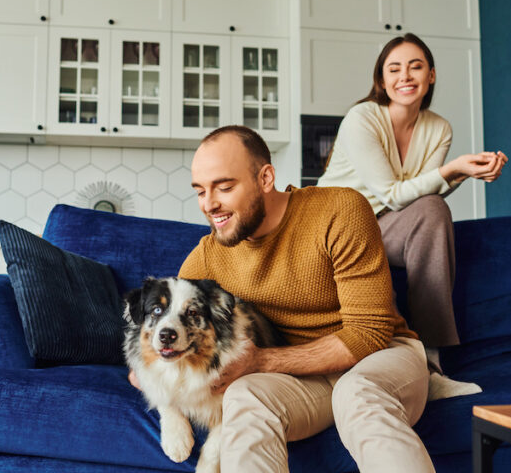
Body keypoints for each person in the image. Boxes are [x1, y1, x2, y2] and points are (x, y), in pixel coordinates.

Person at [178, 125, 433, 472]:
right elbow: (164, 325)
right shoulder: (210, 255)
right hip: (303, 381)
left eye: (224, 187)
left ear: (266, 177)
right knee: (244, 395)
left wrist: (261, 362)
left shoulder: (339, 210)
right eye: (200, 191)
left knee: (356, 393)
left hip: (382, 357)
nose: (210, 204)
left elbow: (369, 335)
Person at [317, 33, 507, 399]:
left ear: (431, 76)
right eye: (394, 68)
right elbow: (392, 192)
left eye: (415, 66)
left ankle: (431, 365)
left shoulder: (439, 128)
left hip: (385, 225)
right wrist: (455, 168)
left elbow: (423, 198)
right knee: (429, 207)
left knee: (434, 209)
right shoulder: (363, 118)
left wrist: (464, 172)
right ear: (382, 80)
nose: (405, 76)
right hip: (336, 229)